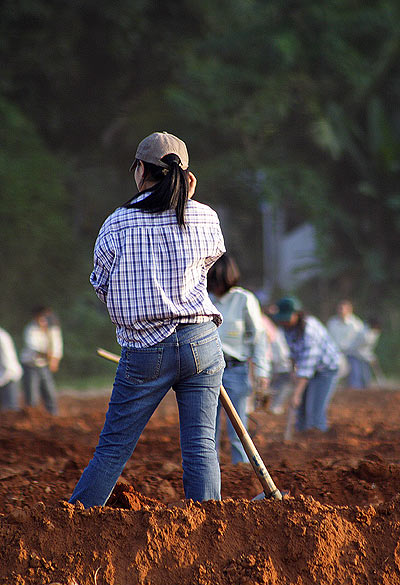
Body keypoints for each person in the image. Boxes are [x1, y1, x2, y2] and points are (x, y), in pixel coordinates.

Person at [69, 131, 226, 507]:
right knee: (202, 446)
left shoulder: (117, 223)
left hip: (145, 349)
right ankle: (210, 533)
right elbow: (209, 264)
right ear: (185, 175)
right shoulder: (204, 216)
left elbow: (102, 284)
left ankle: (71, 522)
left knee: (113, 448)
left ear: (140, 170)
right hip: (202, 344)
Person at [207, 254, 270, 464]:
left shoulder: (244, 299)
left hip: (235, 369)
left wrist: (261, 371)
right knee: (207, 429)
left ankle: (241, 470)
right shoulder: (204, 299)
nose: (214, 287)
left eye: (217, 282)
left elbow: (259, 338)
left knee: (238, 427)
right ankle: (210, 472)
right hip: (207, 370)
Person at [273, 297, 340, 434]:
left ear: (297, 314)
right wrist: (293, 372)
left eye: (287, 318)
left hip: (325, 369)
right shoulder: (287, 328)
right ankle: (300, 436)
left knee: (315, 407)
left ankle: (317, 436)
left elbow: (308, 365)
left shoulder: (310, 329)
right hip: (307, 369)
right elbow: (293, 353)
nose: (283, 322)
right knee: (301, 408)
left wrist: (296, 393)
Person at [20, 306, 63, 415]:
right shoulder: (30, 329)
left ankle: (53, 415)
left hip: (44, 365)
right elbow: (33, 348)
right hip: (30, 365)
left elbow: (57, 347)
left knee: (49, 392)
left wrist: (54, 360)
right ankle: (31, 417)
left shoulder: (53, 330)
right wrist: (50, 356)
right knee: (32, 395)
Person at [327, 300, 365, 388]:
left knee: (354, 377)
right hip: (336, 354)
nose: (340, 311)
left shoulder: (356, 324)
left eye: (342, 309)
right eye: (339, 309)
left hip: (352, 354)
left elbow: (361, 340)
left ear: (349, 310)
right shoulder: (332, 323)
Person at [261, 311, 292, 415]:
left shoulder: (266, 322)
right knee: (272, 384)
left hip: (273, 359)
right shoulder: (264, 321)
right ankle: (270, 407)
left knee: (276, 384)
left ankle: (271, 406)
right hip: (270, 359)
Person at [346, 317, 382, 388]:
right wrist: (370, 358)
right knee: (355, 377)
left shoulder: (375, 333)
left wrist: (370, 357)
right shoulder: (364, 334)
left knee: (366, 378)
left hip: (364, 357)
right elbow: (358, 349)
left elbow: (368, 348)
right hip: (353, 355)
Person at [0, 326, 23, 411]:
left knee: (10, 411)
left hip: (9, 376)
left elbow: (8, 363)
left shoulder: (1, 337)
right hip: (5, 376)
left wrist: (2, 380)